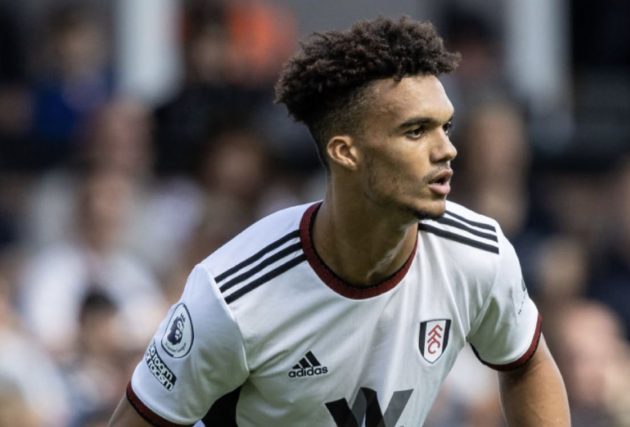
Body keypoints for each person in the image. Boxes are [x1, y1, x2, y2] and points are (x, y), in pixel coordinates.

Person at [109, 17, 569, 426]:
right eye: (415, 131)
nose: (446, 149)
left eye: (444, 127)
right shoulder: (233, 296)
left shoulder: (478, 253)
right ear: (346, 152)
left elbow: (527, 364)